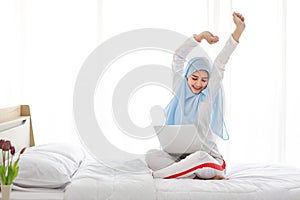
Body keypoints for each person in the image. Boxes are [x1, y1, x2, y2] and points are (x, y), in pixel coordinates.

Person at [145, 12, 245, 180]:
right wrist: (199, 37)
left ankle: (159, 176)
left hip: (209, 162)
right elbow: (178, 57)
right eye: (194, 78)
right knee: (151, 155)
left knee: (198, 157)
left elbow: (220, 62)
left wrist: (238, 31)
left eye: (204, 80)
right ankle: (190, 175)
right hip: (181, 159)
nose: (199, 84)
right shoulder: (180, 90)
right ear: (187, 77)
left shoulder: (207, 97)